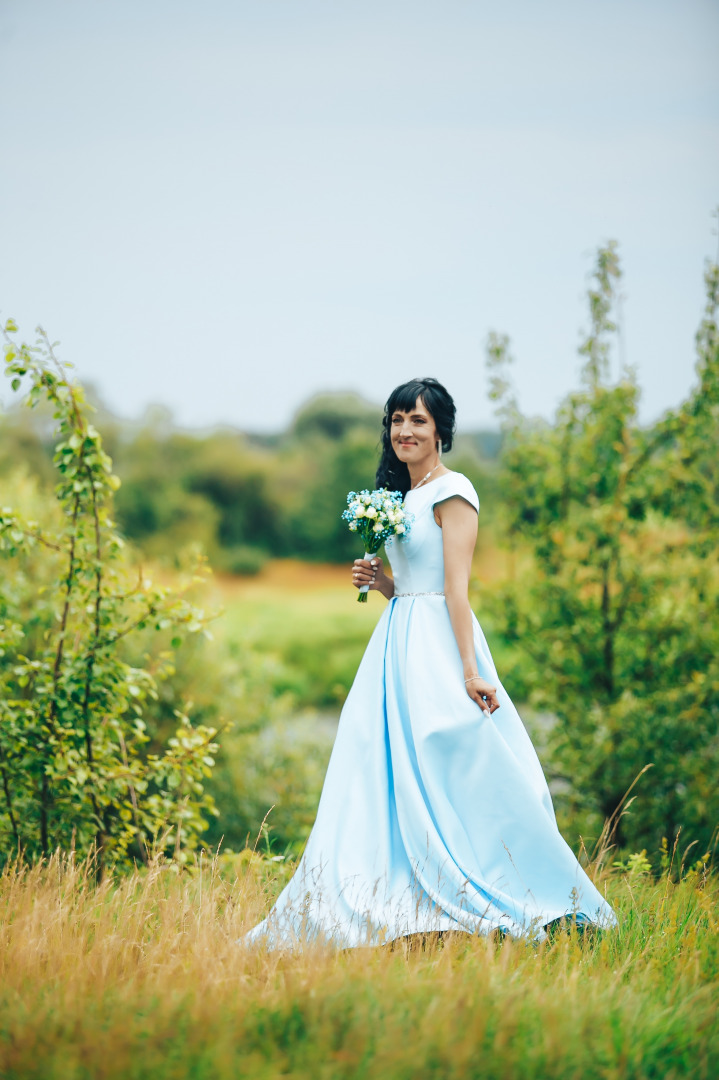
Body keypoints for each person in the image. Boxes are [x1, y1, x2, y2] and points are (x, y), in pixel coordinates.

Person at [245, 377, 616, 947]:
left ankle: (521, 889)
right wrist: (383, 582)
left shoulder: (453, 492)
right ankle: (397, 890)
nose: (404, 431)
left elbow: (456, 592)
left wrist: (470, 671)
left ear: (441, 429)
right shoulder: (402, 497)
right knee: (379, 764)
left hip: (440, 646)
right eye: (396, 420)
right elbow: (413, 589)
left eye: (417, 420)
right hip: (397, 643)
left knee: (458, 758)